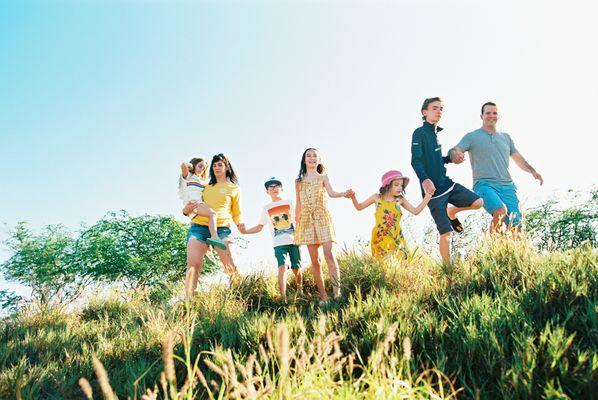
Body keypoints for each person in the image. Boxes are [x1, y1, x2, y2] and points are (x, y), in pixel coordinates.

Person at [450, 102, 543, 233]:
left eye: (494, 113)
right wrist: (456, 154)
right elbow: (456, 149)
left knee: (517, 227)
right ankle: (493, 251)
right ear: (481, 116)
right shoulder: (472, 137)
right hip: (484, 184)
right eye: (488, 113)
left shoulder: (506, 138)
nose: (491, 116)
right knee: (500, 211)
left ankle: (505, 250)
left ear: (499, 116)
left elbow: (518, 158)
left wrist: (533, 172)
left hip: (508, 187)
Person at [410, 97, 484, 263]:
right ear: (424, 112)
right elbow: (416, 160)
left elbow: (435, 160)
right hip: (433, 193)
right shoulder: (419, 133)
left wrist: (451, 159)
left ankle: (452, 211)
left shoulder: (436, 133)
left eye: (441, 108)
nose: (439, 111)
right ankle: (447, 269)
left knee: (478, 202)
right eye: (434, 108)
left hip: (448, 184)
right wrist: (424, 179)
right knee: (446, 233)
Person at [183, 153, 246, 296]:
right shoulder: (205, 185)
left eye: (220, 164)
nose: (217, 167)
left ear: (226, 167)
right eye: (215, 165)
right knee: (193, 266)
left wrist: (240, 224)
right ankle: (189, 301)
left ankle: (241, 296)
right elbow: (191, 200)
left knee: (231, 264)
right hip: (198, 228)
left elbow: (237, 212)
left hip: (222, 229)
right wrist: (185, 211)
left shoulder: (234, 188)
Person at [294, 148, 351, 303]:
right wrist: (296, 224)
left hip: (322, 217)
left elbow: (331, 193)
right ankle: (324, 297)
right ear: (304, 159)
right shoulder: (298, 182)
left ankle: (337, 294)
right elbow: (298, 204)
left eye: (315, 156)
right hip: (306, 220)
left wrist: (343, 194)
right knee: (315, 261)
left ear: (319, 160)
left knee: (329, 254)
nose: (312, 158)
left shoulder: (323, 177)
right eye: (309, 156)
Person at [243, 177, 303, 301]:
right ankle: (283, 296)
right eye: (271, 187)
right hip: (279, 243)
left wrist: (300, 236)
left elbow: (299, 219)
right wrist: (245, 231)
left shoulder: (289, 203)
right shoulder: (266, 208)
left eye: (276, 186)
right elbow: (260, 227)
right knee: (282, 266)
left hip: (294, 240)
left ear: (281, 188)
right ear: (267, 191)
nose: (274, 188)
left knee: (296, 267)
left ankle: (300, 291)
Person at [350, 170, 432, 260]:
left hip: (396, 236)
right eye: (396, 185)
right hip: (381, 237)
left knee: (401, 262)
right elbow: (359, 207)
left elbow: (415, 211)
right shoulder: (377, 198)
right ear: (387, 185)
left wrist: (427, 197)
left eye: (401, 185)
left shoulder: (400, 200)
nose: (400, 188)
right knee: (384, 263)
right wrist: (353, 196)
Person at [178, 158, 226, 250]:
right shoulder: (189, 176)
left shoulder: (202, 180)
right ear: (194, 166)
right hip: (194, 204)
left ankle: (207, 249)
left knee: (207, 223)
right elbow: (183, 165)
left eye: (204, 168)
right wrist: (190, 166)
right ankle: (215, 237)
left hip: (199, 205)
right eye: (200, 166)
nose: (201, 169)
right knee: (212, 214)